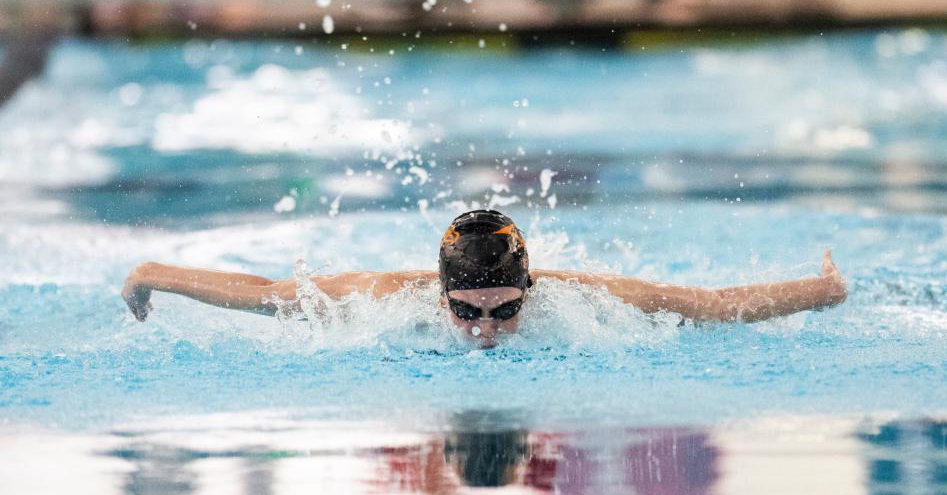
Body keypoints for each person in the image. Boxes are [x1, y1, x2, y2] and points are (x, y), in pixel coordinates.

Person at [122, 210, 848, 347]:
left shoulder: (584, 301)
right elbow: (269, 296)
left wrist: (821, 292)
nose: (484, 333)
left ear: (530, 289)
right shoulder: (385, 300)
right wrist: (154, 273)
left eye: (503, 313)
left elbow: (711, 307)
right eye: (467, 313)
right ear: (440, 295)